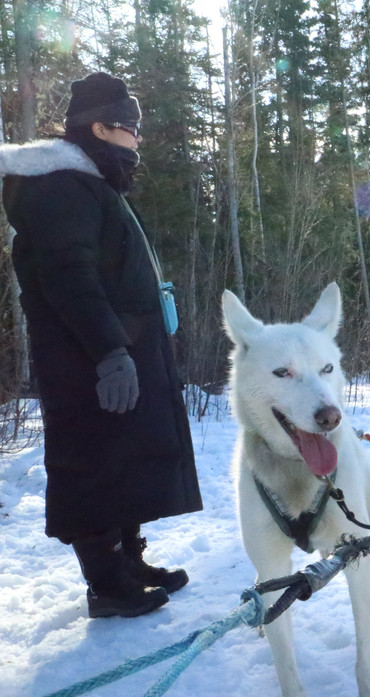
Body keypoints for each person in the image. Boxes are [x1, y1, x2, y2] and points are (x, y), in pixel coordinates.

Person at [0, 72, 201, 617]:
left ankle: (128, 561)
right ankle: (107, 585)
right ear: (100, 129)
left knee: (127, 455)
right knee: (96, 461)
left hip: (121, 349)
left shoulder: (88, 181)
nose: (138, 140)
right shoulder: (60, 186)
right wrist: (111, 353)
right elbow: (70, 277)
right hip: (85, 358)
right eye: (131, 129)